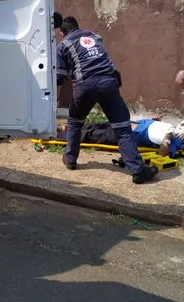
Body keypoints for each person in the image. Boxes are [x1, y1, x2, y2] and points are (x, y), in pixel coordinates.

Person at [55, 16, 156, 183]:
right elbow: (109, 64)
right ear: (78, 27)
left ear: (61, 32)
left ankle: (70, 159)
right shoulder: (94, 36)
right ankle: (138, 171)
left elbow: (59, 77)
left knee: (74, 121)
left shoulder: (63, 45)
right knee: (122, 127)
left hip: (84, 86)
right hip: (108, 82)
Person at [56, 118, 184, 158]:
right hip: (131, 123)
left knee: (94, 134)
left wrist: (167, 137)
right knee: (98, 125)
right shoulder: (176, 128)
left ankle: (61, 135)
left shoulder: (175, 142)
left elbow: (162, 153)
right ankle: (68, 128)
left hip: (127, 135)